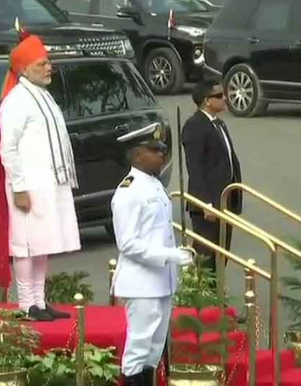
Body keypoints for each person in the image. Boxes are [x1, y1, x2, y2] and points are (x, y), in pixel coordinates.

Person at [0, 35, 80, 322]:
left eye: (48, 62)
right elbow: (8, 148)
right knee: (25, 244)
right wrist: (18, 187)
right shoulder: (16, 101)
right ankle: (26, 304)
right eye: (43, 63)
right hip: (27, 184)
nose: (49, 67)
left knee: (42, 243)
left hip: (48, 183)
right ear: (25, 69)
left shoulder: (42, 94)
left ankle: (39, 300)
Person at [111, 123, 194, 386]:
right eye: (154, 150)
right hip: (141, 283)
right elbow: (128, 244)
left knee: (154, 350)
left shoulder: (155, 186)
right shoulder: (129, 191)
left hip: (161, 282)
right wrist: (169, 255)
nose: (162, 155)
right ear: (137, 155)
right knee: (138, 348)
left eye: (163, 150)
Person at [181, 80, 242, 274]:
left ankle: (217, 297)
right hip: (209, 205)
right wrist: (204, 202)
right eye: (218, 96)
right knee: (206, 256)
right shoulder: (195, 125)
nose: (224, 98)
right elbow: (195, 168)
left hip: (225, 201)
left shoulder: (219, 123)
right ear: (207, 101)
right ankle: (203, 298)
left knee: (221, 254)